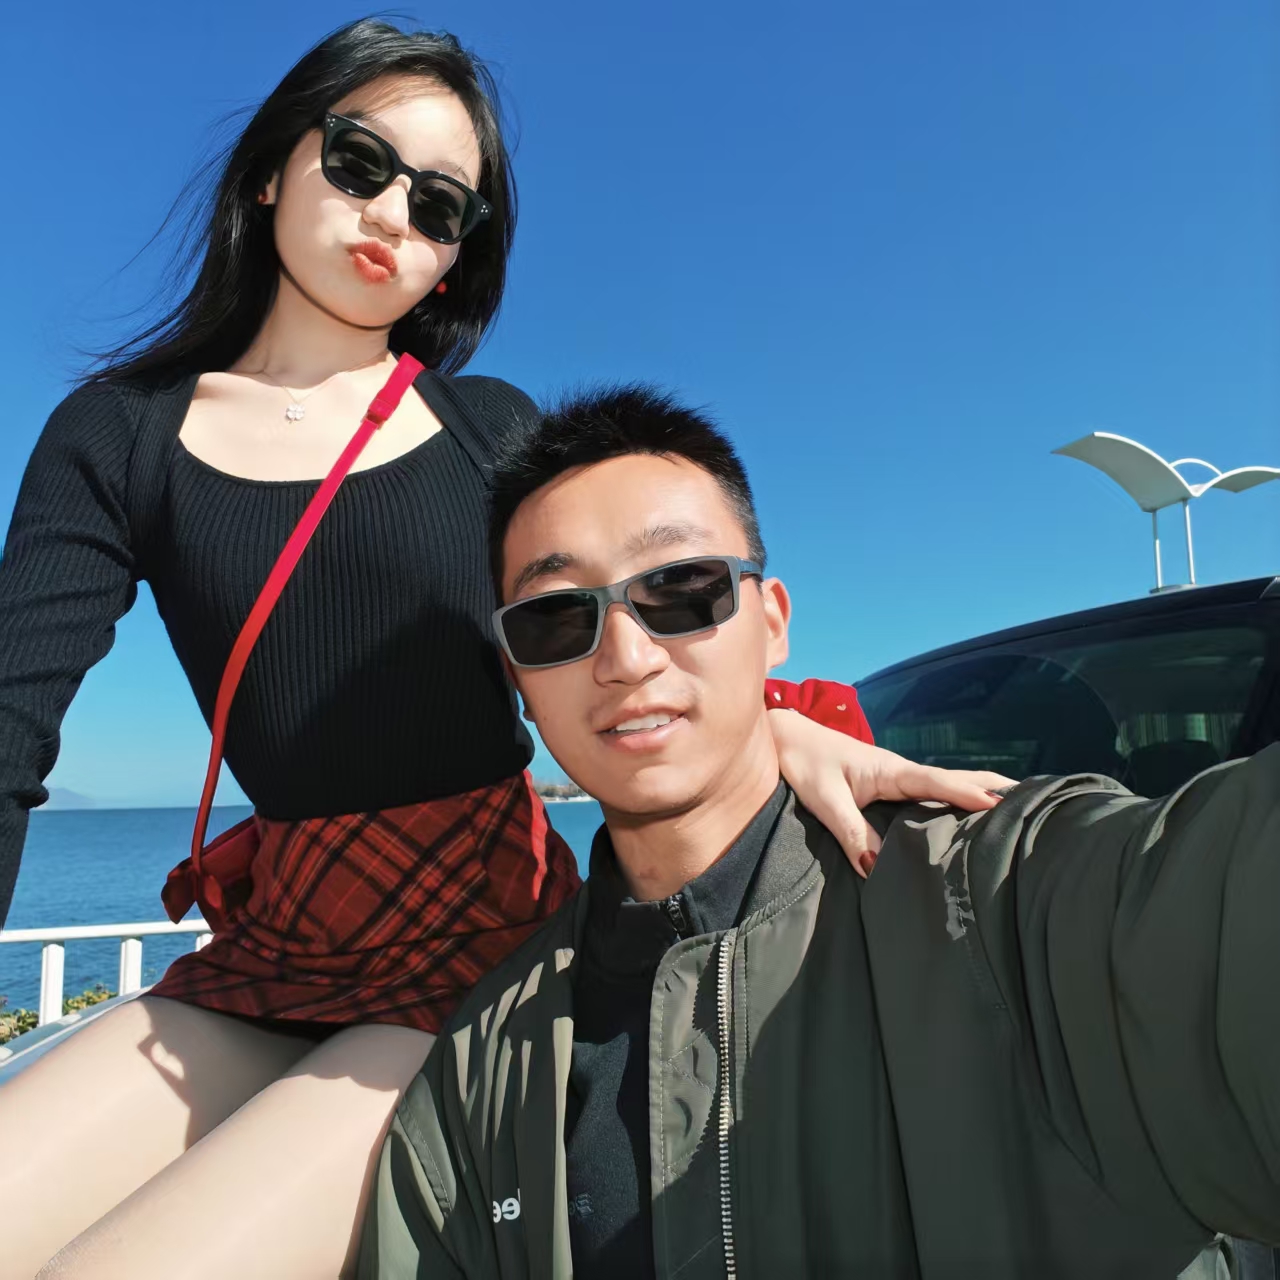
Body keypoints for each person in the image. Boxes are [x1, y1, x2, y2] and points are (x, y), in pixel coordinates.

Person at [0, 20, 1012, 1278]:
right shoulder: (118, 433)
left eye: (441, 206)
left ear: (455, 258)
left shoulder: (486, 428)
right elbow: (11, 726)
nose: (392, 215)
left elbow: (611, 630)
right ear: (268, 168)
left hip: (480, 932)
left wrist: (772, 726)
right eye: (359, 161)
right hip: (284, 935)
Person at [360, 385, 1280, 1279]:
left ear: (772, 624)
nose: (627, 657)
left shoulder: (1009, 902)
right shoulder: (485, 1065)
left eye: (681, 588)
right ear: (519, 682)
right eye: (557, 616)